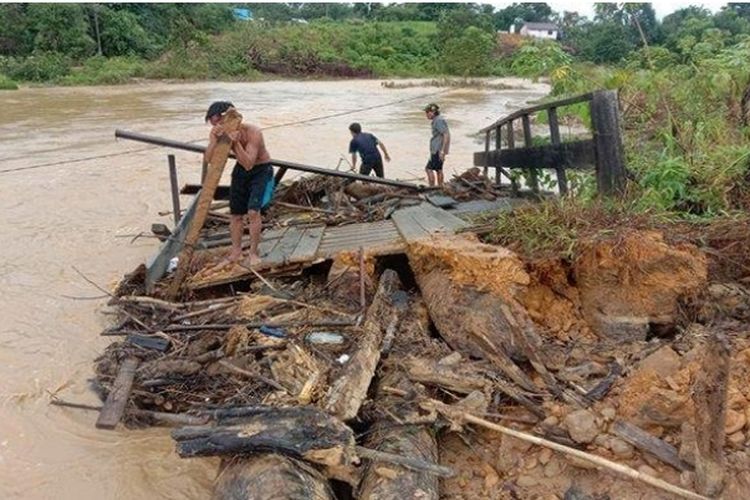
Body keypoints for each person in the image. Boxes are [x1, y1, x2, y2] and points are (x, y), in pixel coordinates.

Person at [204, 101, 274, 268]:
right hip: (240, 171)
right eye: (214, 125)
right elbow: (208, 159)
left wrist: (234, 143)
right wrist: (214, 140)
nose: (218, 127)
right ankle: (236, 251)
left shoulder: (253, 132)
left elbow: (249, 163)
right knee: (236, 214)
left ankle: (253, 252)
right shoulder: (219, 133)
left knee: (253, 211)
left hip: (260, 170)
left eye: (220, 123)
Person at [424, 103, 450, 188]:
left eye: (428, 112)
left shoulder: (438, 121)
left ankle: (432, 188)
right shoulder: (438, 120)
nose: (426, 115)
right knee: (439, 169)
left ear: (433, 112)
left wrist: (442, 151)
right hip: (438, 149)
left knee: (429, 169)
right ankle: (440, 187)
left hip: (437, 149)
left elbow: (446, 134)